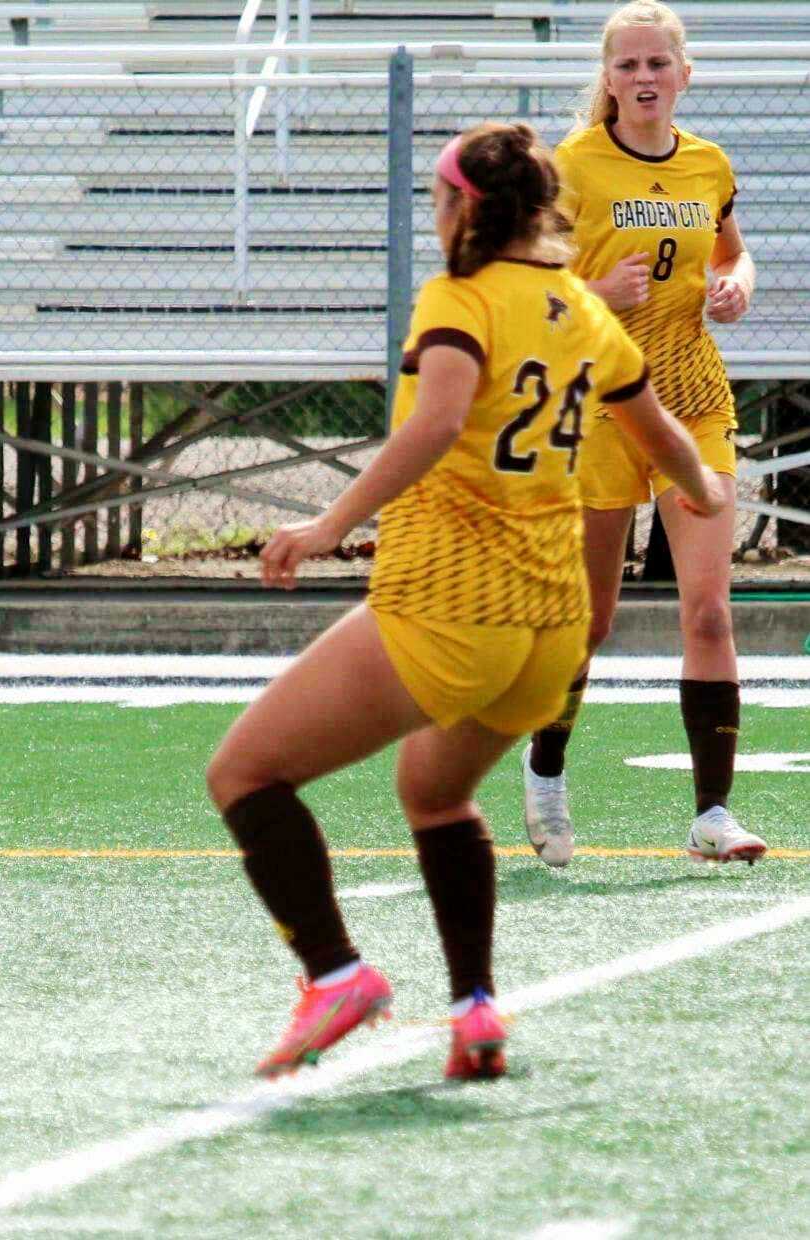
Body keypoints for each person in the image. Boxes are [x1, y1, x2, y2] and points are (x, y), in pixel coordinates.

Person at [205, 122, 719, 1080]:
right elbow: (660, 434)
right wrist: (705, 490)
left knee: (243, 773)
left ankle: (336, 974)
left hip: (452, 601)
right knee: (435, 794)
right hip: (552, 627)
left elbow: (439, 420)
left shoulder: (460, 296)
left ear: (464, 209)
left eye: (438, 199)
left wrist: (329, 524)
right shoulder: (582, 306)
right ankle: (475, 1009)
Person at [521, 0, 764, 868]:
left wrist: (737, 284)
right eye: (627, 64)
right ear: (609, 77)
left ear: (684, 74)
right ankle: (545, 769)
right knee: (589, 621)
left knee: (709, 611)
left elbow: (732, 252)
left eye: (658, 63)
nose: (644, 77)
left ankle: (712, 815)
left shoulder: (708, 164)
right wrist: (595, 297)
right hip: (602, 408)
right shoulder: (574, 165)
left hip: (692, 402)